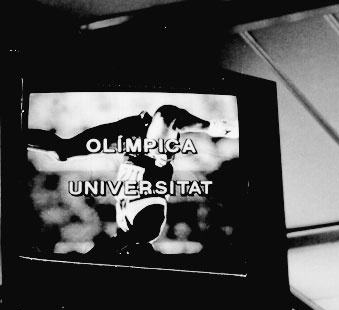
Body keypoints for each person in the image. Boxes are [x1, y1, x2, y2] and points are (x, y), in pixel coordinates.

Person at [28, 104, 211, 260]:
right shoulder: (149, 230)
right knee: (166, 115)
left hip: (131, 139)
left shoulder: (125, 228)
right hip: (150, 146)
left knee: (62, 151)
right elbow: (111, 248)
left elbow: (113, 246)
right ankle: (214, 127)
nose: (121, 254)